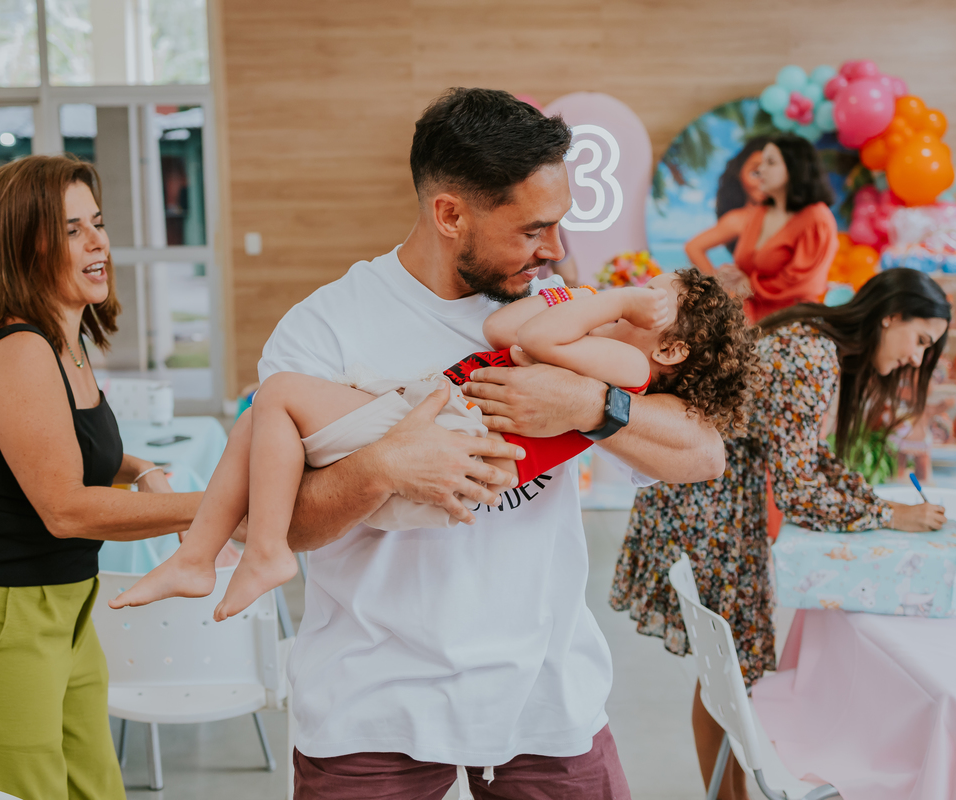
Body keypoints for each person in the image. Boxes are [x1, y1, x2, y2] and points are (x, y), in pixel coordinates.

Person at [223, 87, 725, 800]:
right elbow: (268, 523)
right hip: (372, 704)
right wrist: (384, 467)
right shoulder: (323, 330)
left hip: (546, 696)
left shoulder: (558, 310)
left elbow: (704, 454)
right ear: (450, 214)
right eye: (533, 229)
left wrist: (588, 405)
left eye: (560, 224)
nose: (556, 250)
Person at [110, 269, 756, 621]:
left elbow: (540, 342)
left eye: (656, 298)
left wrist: (608, 301)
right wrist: (580, 297)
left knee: (277, 397)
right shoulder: (593, 332)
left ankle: (259, 553)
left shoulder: (628, 366)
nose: (640, 293)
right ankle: (201, 555)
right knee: (261, 417)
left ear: (671, 349)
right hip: (434, 417)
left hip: (454, 439)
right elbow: (504, 327)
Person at [0, 155, 205, 800]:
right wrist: (212, 505)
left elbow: (72, 451)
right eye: (72, 230)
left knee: (93, 788)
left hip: (63, 600)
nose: (98, 242)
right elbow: (66, 508)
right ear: (24, 247)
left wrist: (144, 470)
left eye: (96, 222)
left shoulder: (65, 343)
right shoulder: (20, 352)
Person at [610, 267, 951, 800]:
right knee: (728, 671)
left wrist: (879, 506)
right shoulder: (814, 355)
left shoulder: (814, 339)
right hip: (708, 500)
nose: (916, 358)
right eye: (921, 340)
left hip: (710, 492)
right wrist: (888, 515)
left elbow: (807, 458)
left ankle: (733, 794)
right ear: (891, 316)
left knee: (727, 670)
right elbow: (798, 490)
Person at [686, 134, 838, 322]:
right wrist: (731, 277)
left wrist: (750, 285)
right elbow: (744, 270)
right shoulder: (759, 212)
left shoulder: (816, 218)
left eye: (770, 163)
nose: (761, 170)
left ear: (795, 168)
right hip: (746, 322)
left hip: (789, 324)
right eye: (760, 164)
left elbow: (804, 283)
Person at [684, 135, 771, 267]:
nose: (762, 181)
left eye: (770, 174)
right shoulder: (739, 219)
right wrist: (715, 280)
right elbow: (693, 247)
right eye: (755, 173)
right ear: (739, 173)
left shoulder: (786, 214)